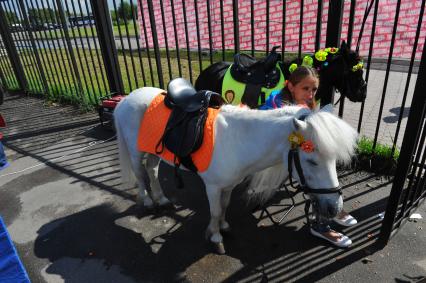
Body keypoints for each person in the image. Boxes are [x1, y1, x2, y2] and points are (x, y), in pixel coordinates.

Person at [260, 65, 357, 247]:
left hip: (295, 154)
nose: (311, 94)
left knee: (321, 164)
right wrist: (307, 143)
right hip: (275, 157)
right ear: (290, 86)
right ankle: (320, 224)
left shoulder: (305, 104)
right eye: (305, 88)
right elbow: (274, 135)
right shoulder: (276, 107)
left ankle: (331, 207)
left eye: (314, 89)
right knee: (313, 172)